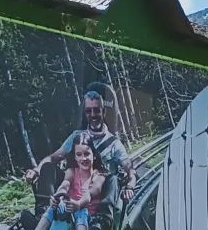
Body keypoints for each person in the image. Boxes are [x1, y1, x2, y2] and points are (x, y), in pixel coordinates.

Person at [25, 89, 138, 219]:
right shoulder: (77, 137)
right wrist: (36, 170)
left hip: (98, 191)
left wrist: (130, 186)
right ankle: (43, 214)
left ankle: (101, 220)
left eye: (96, 110)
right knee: (48, 167)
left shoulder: (114, 143)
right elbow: (54, 157)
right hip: (74, 186)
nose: (93, 114)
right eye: (89, 111)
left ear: (103, 112)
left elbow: (130, 169)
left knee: (113, 179)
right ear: (85, 114)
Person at [20, 133, 106, 230]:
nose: (83, 158)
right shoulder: (72, 171)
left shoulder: (99, 175)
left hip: (88, 219)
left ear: (94, 155)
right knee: (54, 207)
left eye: (87, 154)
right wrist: (58, 195)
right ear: (75, 157)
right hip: (69, 213)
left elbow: (91, 192)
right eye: (79, 155)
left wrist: (79, 204)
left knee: (82, 211)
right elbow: (65, 184)